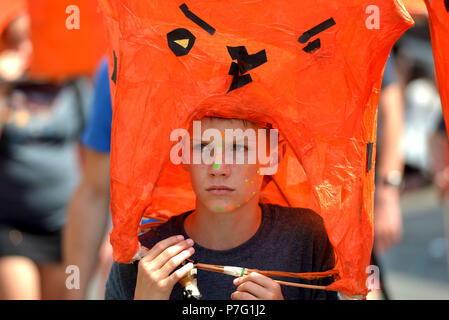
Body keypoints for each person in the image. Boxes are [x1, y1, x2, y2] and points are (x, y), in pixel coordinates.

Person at [105, 116, 339, 300]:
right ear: (183, 154)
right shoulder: (144, 257)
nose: (219, 167)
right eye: (203, 146)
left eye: (238, 148)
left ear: (272, 157)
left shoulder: (307, 239)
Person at [0, 13, 90, 299]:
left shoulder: (71, 83)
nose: (26, 49)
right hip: (11, 226)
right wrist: (3, 86)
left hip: (63, 226)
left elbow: (92, 151)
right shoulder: (5, 85)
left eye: (33, 39)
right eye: (15, 42)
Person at [63, 58, 113, 300]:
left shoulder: (238, 52)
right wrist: (76, 293)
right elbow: (94, 191)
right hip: (139, 268)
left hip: (235, 268)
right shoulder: (118, 63)